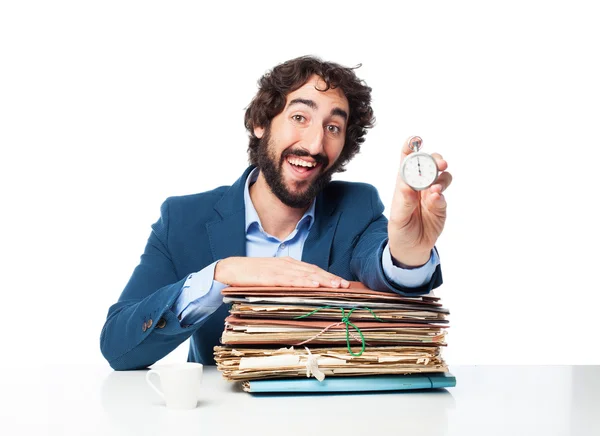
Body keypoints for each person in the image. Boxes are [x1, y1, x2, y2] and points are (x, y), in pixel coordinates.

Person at [100, 55, 452, 370]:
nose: (314, 145)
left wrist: (409, 251)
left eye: (333, 128)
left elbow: (378, 263)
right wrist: (222, 273)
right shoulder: (183, 219)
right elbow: (118, 345)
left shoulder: (356, 207)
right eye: (300, 117)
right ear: (261, 123)